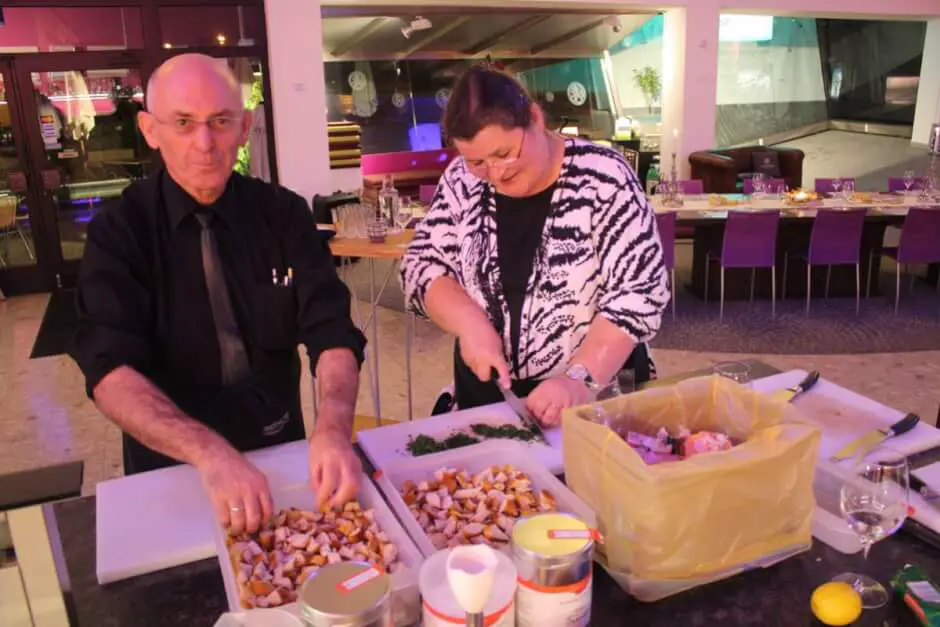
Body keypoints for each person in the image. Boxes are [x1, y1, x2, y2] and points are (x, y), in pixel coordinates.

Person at [69, 54, 366, 534]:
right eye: (183, 123)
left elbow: (332, 330)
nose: (204, 144)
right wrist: (209, 453)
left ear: (244, 126)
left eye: (220, 122)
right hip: (170, 466)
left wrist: (332, 428)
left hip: (281, 453)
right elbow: (109, 370)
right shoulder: (119, 232)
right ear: (149, 129)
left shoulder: (283, 215)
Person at [401, 65, 669, 426]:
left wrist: (579, 379)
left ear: (535, 118)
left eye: (504, 153)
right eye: (477, 161)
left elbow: (638, 294)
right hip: (488, 394)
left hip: (592, 397)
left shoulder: (603, 177)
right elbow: (422, 265)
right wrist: (470, 324)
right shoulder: (462, 181)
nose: (494, 173)